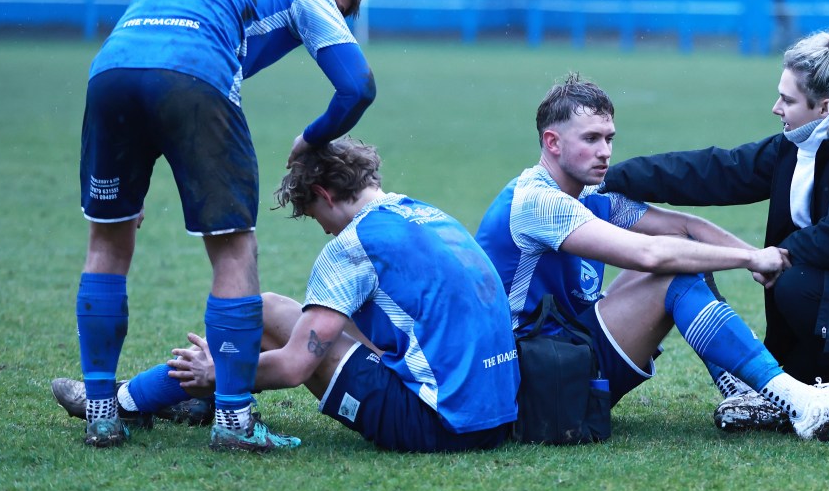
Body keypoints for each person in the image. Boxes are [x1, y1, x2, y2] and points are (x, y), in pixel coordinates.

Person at [473, 72, 829, 442]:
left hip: (561, 358)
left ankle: (745, 392)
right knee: (672, 273)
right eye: (591, 139)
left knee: (688, 258)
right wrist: (749, 262)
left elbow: (684, 229)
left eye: (609, 138)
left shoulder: (588, 192)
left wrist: (759, 254)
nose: (605, 151)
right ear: (552, 142)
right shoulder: (538, 202)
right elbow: (651, 254)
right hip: (527, 383)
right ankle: (801, 402)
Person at [75, 0, 377, 450]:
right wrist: (312, 137)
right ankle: (234, 421)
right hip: (194, 72)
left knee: (107, 243)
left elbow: (147, 52)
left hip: (110, 73)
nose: (334, 20)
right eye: (338, 9)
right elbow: (357, 87)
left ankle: (101, 413)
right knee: (235, 250)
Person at [601, 27, 829, 433]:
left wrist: (775, 256)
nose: (776, 108)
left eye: (788, 99)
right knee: (795, 314)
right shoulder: (813, 140)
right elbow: (721, 170)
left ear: (825, 105)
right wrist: (611, 178)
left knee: (796, 283)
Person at [56, 139, 519, 453]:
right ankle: (186, 398)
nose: (323, 229)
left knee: (268, 325)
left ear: (323, 194)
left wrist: (219, 373)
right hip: (499, 415)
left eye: (313, 214)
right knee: (273, 310)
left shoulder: (351, 246)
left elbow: (296, 365)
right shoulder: (425, 214)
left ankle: (128, 400)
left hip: (439, 424)